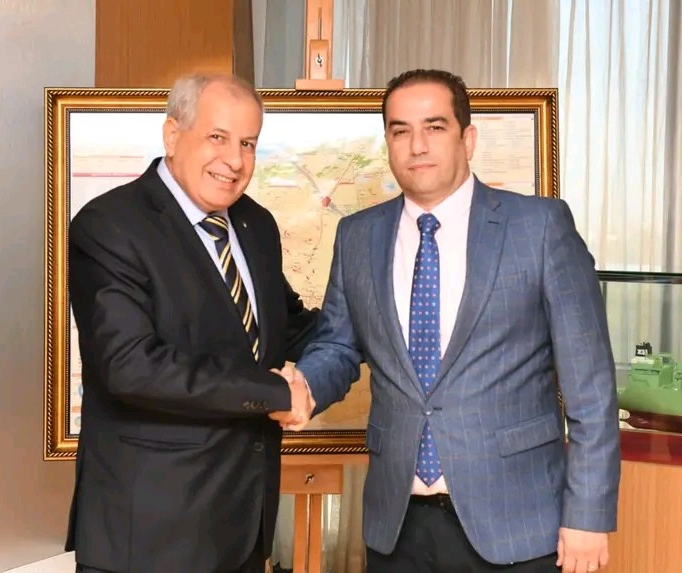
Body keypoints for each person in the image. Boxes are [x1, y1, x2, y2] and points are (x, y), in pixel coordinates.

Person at [278, 69, 620, 573]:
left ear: (468, 139)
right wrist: (306, 387)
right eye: (400, 131)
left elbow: (590, 385)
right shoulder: (357, 236)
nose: (417, 145)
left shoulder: (539, 227)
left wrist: (588, 515)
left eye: (435, 127)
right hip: (397, 528)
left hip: (519, 526)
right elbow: (338, 346)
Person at [66, 73, 317, 573]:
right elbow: (131, 367)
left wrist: (377, 324)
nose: (235, 161)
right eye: (217, 137)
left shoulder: (255, 223)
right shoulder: (110, 225)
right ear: (172, 134)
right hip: (150, 538)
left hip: (243, 528)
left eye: (248, 143)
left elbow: (282, 326)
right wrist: (274, 393)